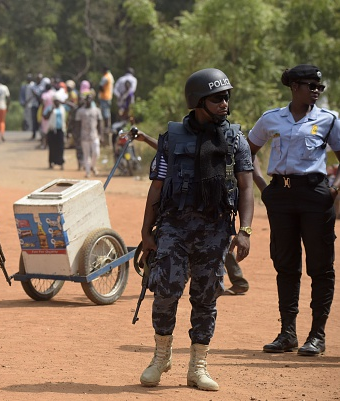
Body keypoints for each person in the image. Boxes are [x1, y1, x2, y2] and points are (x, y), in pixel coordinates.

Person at [139, 68, 254, 391]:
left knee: (206, 296)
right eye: (218, 97)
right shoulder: (172, 138)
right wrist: (146, 232)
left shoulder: (234, 139)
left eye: (227, 96)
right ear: (198, 101)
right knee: (165, 291)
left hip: (215, 228)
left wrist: (244, 230)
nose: (225, 103)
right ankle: (161, 357)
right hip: (174, 226)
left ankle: (197, 366)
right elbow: (157, 186)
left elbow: (246, 188)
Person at [248, 64, 339, 356]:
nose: (315, 90)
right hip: (281, 198)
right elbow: (247, 153)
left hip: (316, 196)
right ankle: (287, 333)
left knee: (320, 267)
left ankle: (317, 334)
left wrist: (335, 194)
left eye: (318, 86)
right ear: (293, 87)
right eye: (309, 85)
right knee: (285, 265)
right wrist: (265, 189)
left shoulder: (329, 120)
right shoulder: (271, 118)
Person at [134, 125, 251, 296]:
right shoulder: (178, 138)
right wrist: (145, 138)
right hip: (192, 209)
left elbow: (245, 184)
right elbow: (169, 151)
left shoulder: (230, 141)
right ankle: (233, 280)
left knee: (216, 244)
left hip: (213, 210)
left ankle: (231, 280)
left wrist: (245, 230)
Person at [75, 93, 102, 178]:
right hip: (84, 136)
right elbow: (77, 125)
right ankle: (87, 172)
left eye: (90, 99)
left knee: (96, 152)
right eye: (87, 99)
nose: (89, 101)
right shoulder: (80, 111)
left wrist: (101, 135)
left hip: (94, 135)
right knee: (86, 155)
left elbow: (100, 123)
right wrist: (77, 136)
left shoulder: (96, 110)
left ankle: (92, 166)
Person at [43, 92, 67, 170]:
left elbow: (74, 107)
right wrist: (51, 111)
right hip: (52, 130)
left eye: (58, 101)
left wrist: (65, 102)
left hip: (60, 130)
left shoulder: (62, 108)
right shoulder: (50, 108)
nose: (56, 102)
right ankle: (51, 162)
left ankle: (61, 163)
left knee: (60, 147)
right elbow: (45, 117)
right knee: (52, 147)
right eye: (55, 100)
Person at [97, 66, 114, 145]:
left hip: (104, 97)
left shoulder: (105, 77)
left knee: (105, 113)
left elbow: (100, 86)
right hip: (109, 96)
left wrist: (101, 92)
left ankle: (106, 127)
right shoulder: (110, 76)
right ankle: (108, 127)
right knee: (107, 113)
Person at [26, 74, 42, 140]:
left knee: (40, 120)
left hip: (41, 106)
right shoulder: (33, 86)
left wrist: (35, 94)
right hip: (34, 105)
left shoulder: (42, 87)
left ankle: (41, 135)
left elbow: (39, 96)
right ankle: (34, 134)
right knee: (34, 120)